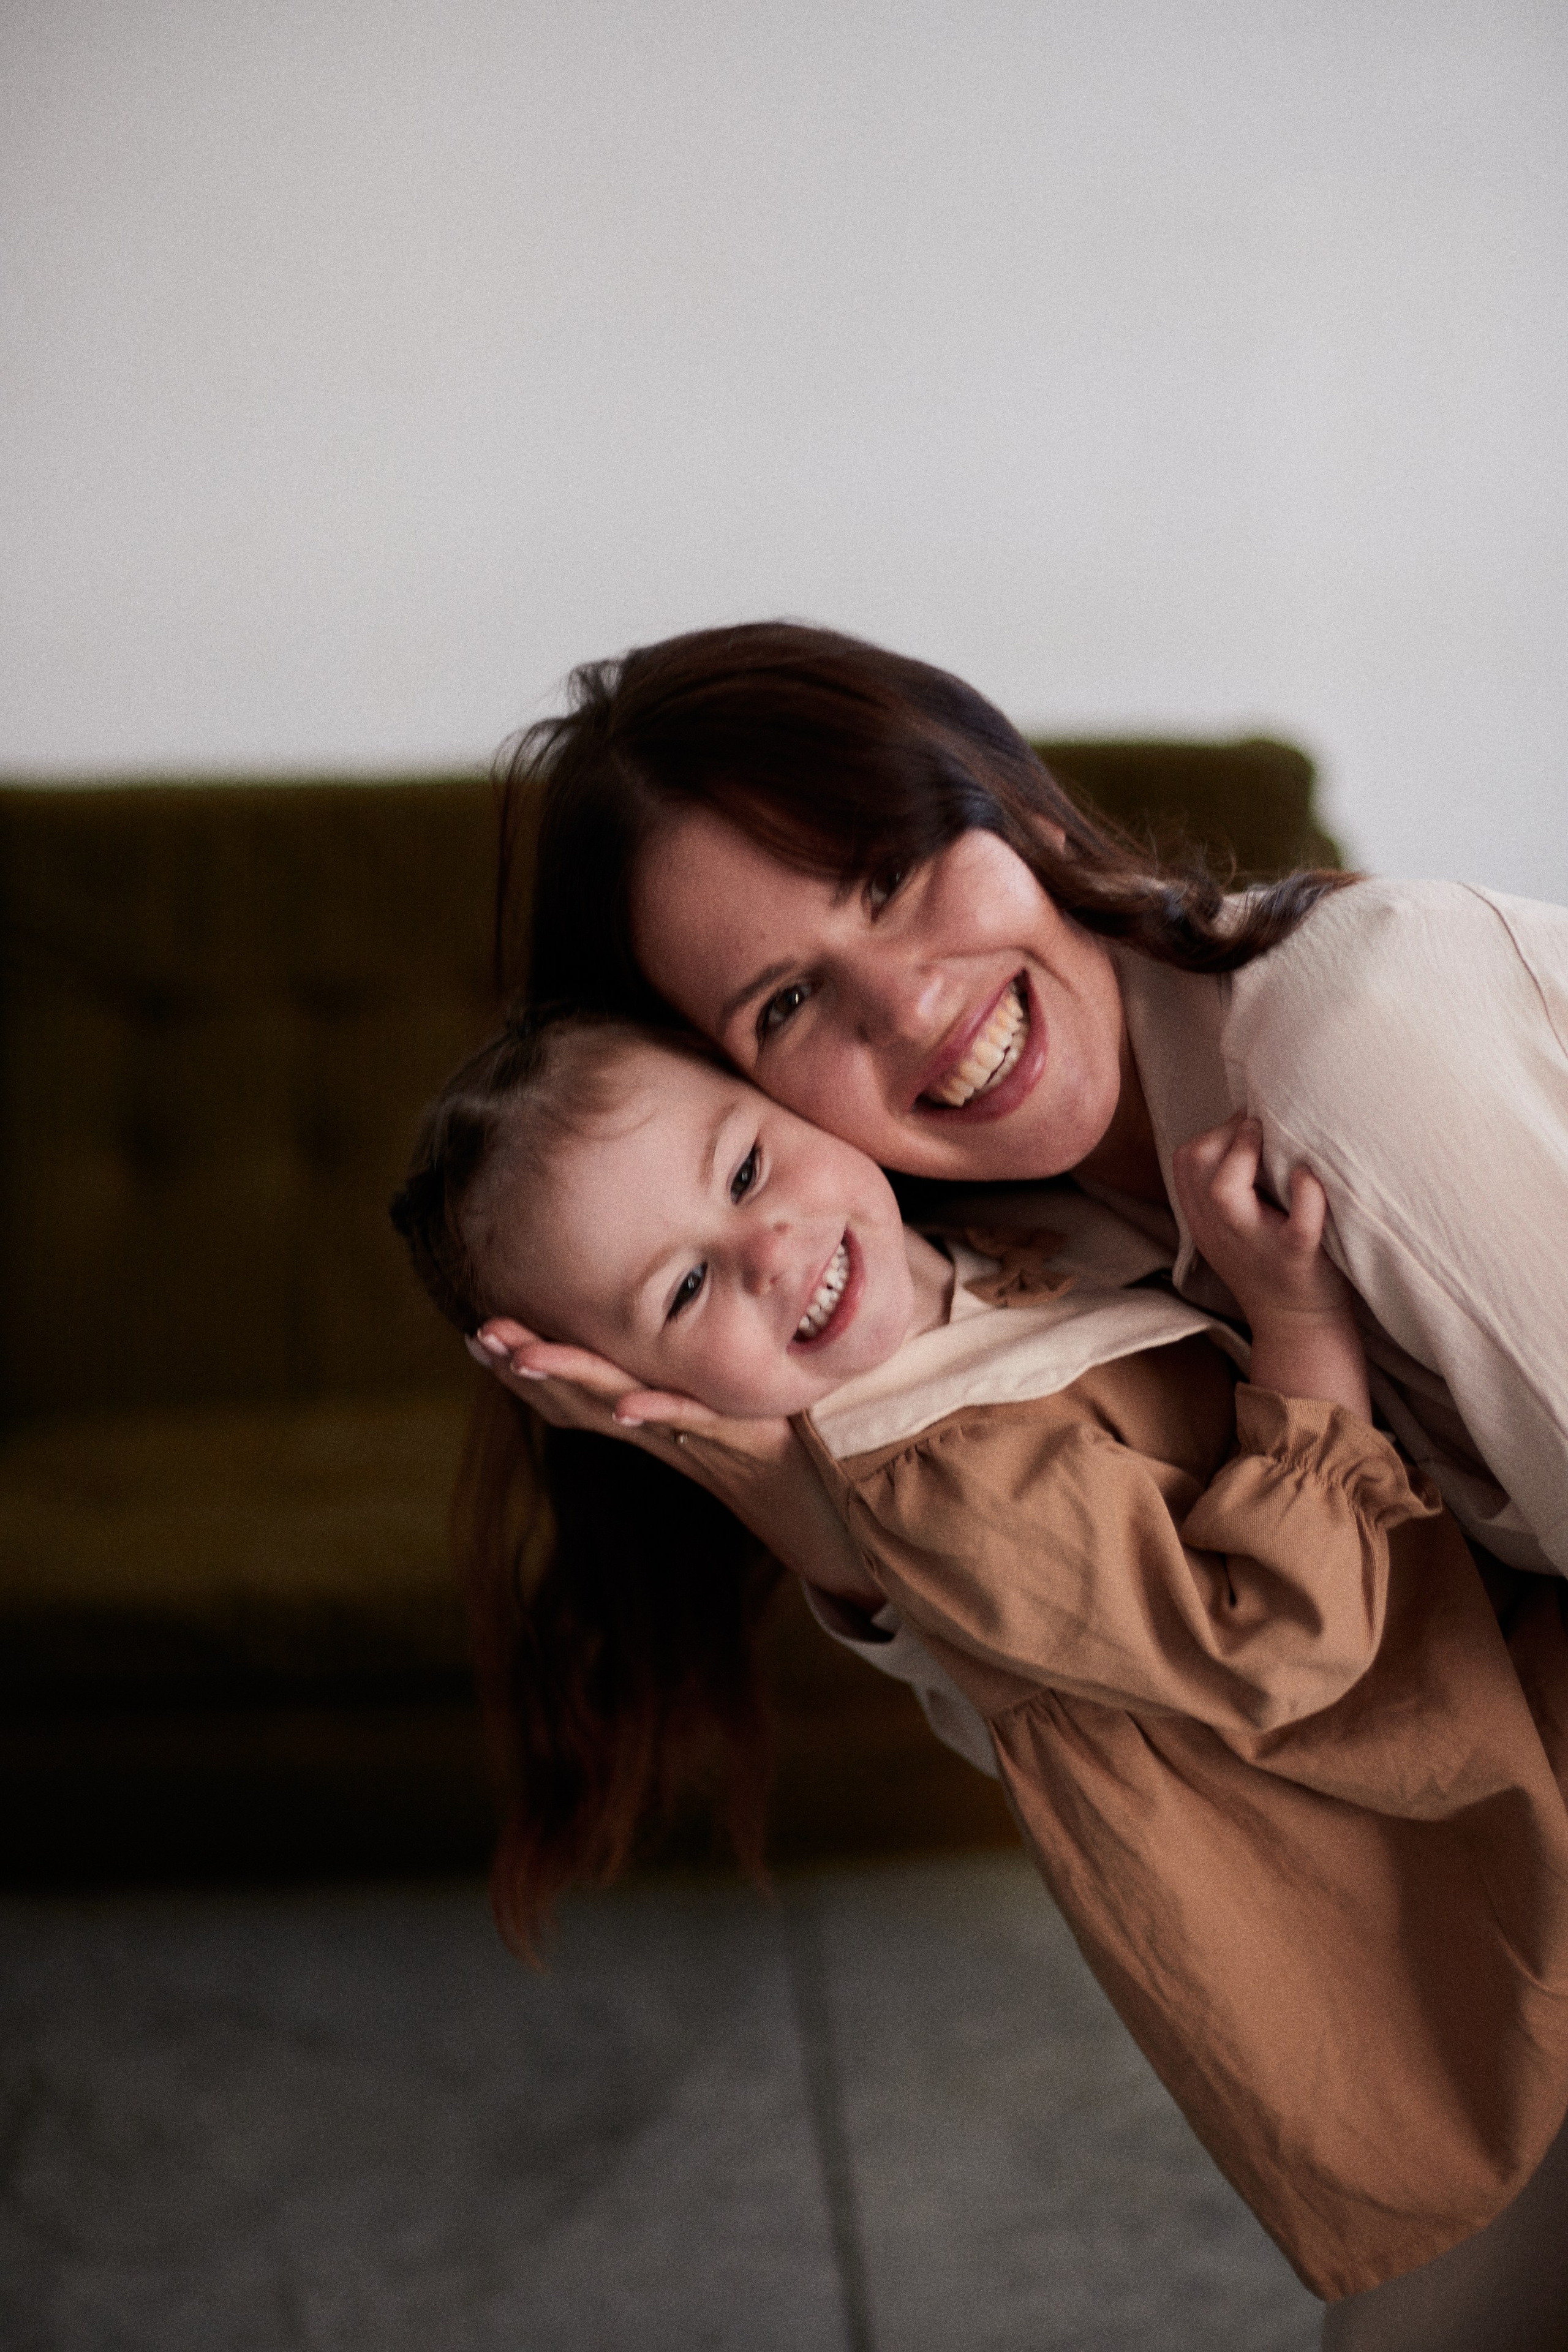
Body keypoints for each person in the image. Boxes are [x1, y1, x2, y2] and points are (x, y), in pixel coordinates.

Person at [470, 621, 1568, 2347]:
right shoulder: (1017, 1257)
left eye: (895, 873)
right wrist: (792, 1493)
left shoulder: (1347, 1054)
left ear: (1012, 808)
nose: (909, 1002)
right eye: (783, 1003)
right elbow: (1116, 1725)